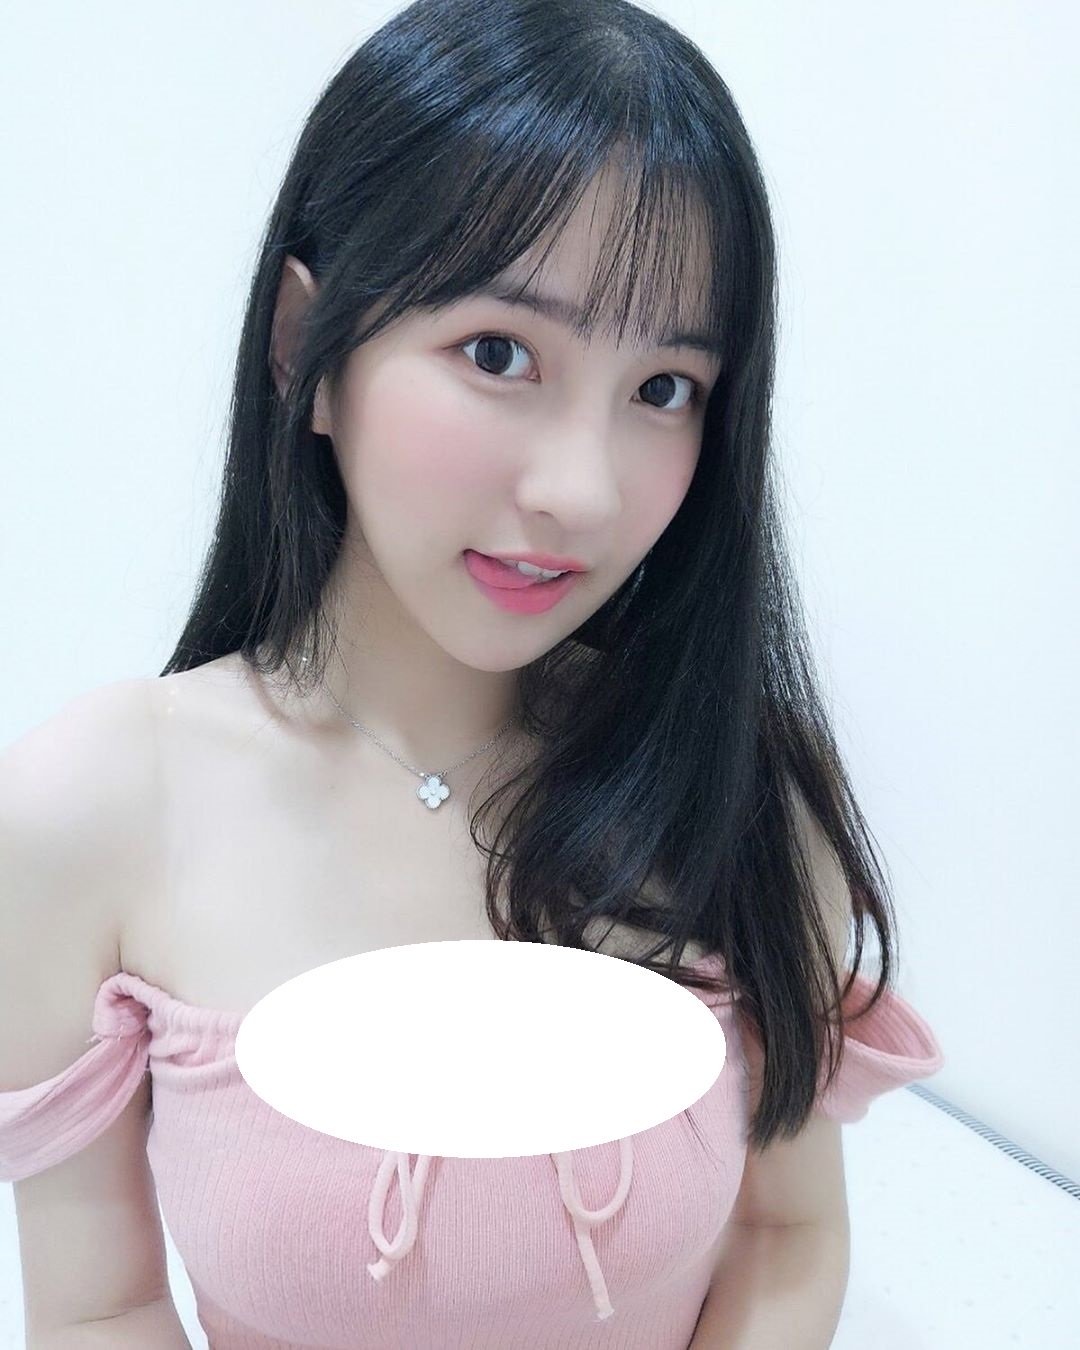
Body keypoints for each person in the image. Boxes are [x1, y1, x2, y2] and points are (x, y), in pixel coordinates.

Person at [0, 0, 944, 1346]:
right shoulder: (86, 811)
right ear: (304, 347)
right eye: (500, 354)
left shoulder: (733, 781)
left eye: (664, 387)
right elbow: (102, 1307)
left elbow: (787, 1231)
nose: (582, 490)